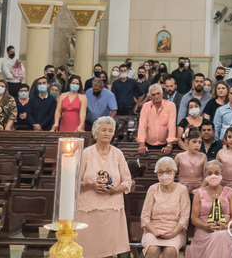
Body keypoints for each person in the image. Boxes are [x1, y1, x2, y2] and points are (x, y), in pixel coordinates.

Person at [75, 116, 134, 258]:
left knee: (108, 250)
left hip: (111, 208)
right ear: (96, 133)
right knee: (89, 249)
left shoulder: (117, 154)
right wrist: (91, 185)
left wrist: (115, 190)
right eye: (103, 130)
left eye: (110, 130)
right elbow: (75, 182)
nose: (107, 133)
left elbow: (127, 181)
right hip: (89, 209)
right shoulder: (86, 153)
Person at [186, 161, 232, 258]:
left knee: (220, 236)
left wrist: (226, 226)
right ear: (205, 175)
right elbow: (194, 218)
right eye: (209, 173)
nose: (213, 176)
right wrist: (205, 226)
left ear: (221, 174)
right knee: (217, 236)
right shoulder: (199, 193)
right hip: (203, 230)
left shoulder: (229, 192)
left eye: (216, 173)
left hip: (225, 229)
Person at [142, 156, 191, 258]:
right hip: (153, 230)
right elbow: (145, 217)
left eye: (168, 171)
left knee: (170, 251)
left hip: (175, 230)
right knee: (152, 250)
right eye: (161, 172)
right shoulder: (153, 189)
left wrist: (174, 233)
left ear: (174, 172)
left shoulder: (182, 189)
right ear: (157, 174)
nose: (164, 175)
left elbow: (184, 217)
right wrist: (155, 231)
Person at [137, 84, 178, 155]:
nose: (156, 96)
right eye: (153, 95)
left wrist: (169, 145)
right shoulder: (145, 106)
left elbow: (171, 125)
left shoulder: (171, 105)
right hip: (148, 144)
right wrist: (141, 144)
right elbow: (142, 125)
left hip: (165, 144)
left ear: (162, 94)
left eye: (158, 93)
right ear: (150, 97)